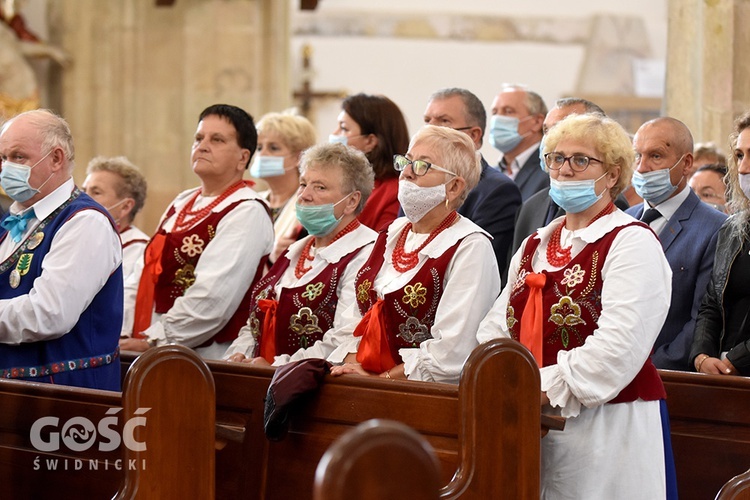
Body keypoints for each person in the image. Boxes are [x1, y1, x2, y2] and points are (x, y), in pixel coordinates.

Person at [478, 113, 676, 498]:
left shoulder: (632, 243)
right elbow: (498, 324)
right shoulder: (535, 244)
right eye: (556, 158)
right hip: (524, 421)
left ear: (613, 174)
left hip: (603, 428)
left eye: (581, 160)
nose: (565, 169)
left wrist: (535, 387)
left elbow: (619, 346)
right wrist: (499, 379)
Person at [330, 125, 500, 384]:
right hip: (362, 383)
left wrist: (382, 380)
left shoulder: (470, 246)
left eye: (422, 165)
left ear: (453, 187)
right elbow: (353, 319)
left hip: (421, 397)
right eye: (406, 161)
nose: (407, 172)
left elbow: (451, 352)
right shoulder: (391, 234)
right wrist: (352, 369)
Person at [120, 104, 274, 359]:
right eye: (199, 138)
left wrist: (157, 338)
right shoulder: (183, 201)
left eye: (217, 139)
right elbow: (142, 272)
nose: (202, 146)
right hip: (148, 344)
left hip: (204, 358)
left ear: (242, 158)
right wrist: (125, 331)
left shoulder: (248, 211)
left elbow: (213, 297)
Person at [0, 109, 122, 390]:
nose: (7, 168)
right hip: (17, 394)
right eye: (4, 158)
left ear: (56, 158)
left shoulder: (85, 221)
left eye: (18, 157)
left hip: (66, 399)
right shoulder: (11, 222)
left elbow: (49, 314)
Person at [224, 143, 376, 364]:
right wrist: (239, 357)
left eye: (320, 187)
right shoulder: (295, 251)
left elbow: (344, 340)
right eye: (303, 184)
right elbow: (253, 324)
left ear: (351, 201)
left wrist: (276, 367)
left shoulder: (365, 253)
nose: (304, 195)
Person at [626, 117, 726, 370]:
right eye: (638, 156)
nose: (642, 168)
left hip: (667, 376)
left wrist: (649, 370)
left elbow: (702, 318)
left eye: (656, 156)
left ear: (687, 163)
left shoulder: (714, 228)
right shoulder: (622, 221)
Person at [422, 87, 521, 283]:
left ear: (473, 136)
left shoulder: (497, 191)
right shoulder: (418, 179)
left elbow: (476, 269)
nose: (430, 130)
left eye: (444, 121)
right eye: (427, 121)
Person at [511, 97, 623, 256]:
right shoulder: (530, 208)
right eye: (546, 131)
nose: (565, 169)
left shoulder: (618, 217)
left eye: (580, 160)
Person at [691, 110, 750, 376]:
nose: (743, 168)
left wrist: (736, 360)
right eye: (739, 155)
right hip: (724, 377)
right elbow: (712, 302)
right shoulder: (733, 227)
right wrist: (702, 355)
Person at [330, 93, 409, 231]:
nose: (334, 133)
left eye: (344, 128)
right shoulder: (340, 182)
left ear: (371, 141)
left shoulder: (394, 193)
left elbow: (382, 244)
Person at [251, 111, 316, 263]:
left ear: (298, 158)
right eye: (259, 148)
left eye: (273, 148)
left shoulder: (312, 206)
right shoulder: (253, 200)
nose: (262, 154)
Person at [83, 155, 149, 284]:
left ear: (125, 206)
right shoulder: (77, 238)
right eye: (83, 191)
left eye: (96, 192)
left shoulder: (139, 252)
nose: (83, 199)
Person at [489, 84, 548, 201]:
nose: (498, 119)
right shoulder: (489, 174)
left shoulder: (550, 171)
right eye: (495, 112)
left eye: (508, 111)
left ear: (536, 122)